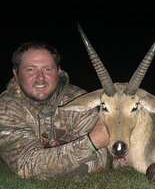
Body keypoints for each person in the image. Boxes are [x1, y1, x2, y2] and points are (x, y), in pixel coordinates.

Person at [0, 41, 110, 179]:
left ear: (58, 71)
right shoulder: (5, 108)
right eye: (30, 69)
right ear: (16, 74)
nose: (40, 78)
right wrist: (91, 143)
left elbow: (98, 161)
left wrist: (48, 167)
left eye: (47, 69)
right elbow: (27, 165)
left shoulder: (78, 99)